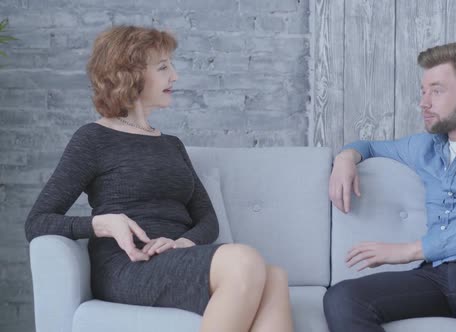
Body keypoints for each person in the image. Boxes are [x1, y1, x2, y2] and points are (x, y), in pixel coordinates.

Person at [25, 25, 293, 332]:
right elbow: (37, 222)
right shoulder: (92, 139)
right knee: (244, 260)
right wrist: (102, 224)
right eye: (163, 67)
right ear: (130, 74)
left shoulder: (171, 144)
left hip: (177, 259)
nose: (174, 76)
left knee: (275, 277)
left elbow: (206, 218)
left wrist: (182, 242)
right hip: (129, 265)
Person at [323, 42, 456, 332]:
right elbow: (370, 146)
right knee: (342, 298)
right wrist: (346, 157)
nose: (424, 102)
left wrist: (412, 249)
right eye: (423, 91)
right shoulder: (423, 146)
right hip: (437, 272)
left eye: (436, 91)